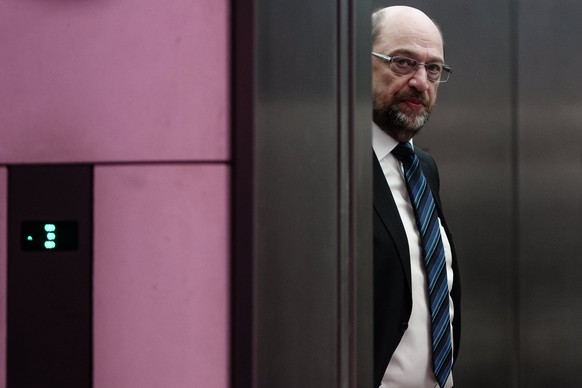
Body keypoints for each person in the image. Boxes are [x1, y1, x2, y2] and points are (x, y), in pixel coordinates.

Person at [371, 6, 461, 388]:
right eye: (403, 63)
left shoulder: (422, 168)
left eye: (434, 68)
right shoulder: (332, 169)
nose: (421, 82)